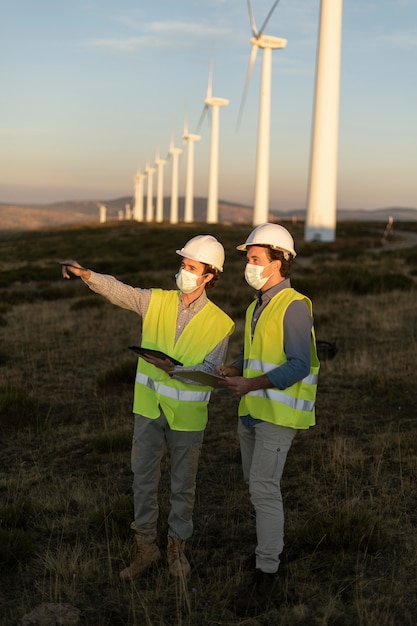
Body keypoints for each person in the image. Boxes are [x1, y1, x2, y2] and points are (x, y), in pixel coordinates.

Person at [61, 234, 234, 580]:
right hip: (149, 407)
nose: (182, 271)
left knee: (182, 485)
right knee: (143, 480)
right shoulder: (156, 301)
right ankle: (145, 548)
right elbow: (120, 291)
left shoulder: (221, 323)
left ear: (209, 276)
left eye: (190, 267)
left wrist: (178, 370)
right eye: (182, 265)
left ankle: (176, 550)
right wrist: (86, 275)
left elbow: (213, 372)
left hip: (187, 416)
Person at [216, 223, 319, 615]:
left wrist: (251, 383)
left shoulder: (293, 305)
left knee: (263, 489)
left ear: (280, 262)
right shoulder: (256, 305)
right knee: (256, 485)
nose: (249, 265)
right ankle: (267, 550)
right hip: (253, 411)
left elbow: (299, 365)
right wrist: (235, 368)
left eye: (256, 259)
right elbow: (262, 354)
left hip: (277, 413)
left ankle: (267, 574)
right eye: (248, 259)